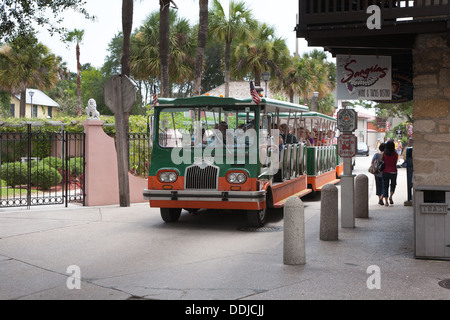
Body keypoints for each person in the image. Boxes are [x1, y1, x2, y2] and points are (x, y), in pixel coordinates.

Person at [381, 140, 398, 207]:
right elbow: (395, 162)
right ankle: (391, 196)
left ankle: (386, 202)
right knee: (393, 185)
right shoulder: (395, 154)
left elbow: (381, 160)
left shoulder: (384, 154)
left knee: (385, 186)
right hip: (393, 171)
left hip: (385, 171)